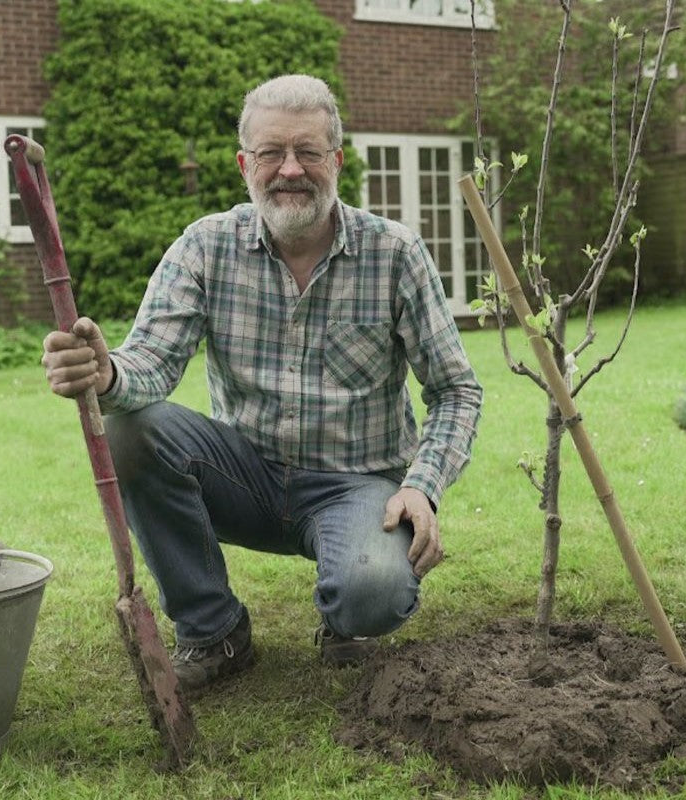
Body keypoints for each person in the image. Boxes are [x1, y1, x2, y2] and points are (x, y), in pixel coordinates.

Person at [41, 74, 482, 694]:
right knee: (132, 431)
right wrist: (105, 371)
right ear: (245, 163)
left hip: (356, 485)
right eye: (272, 153)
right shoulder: (205, 246)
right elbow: (151, 364)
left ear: (338, 160)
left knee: (373, 592)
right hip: (243, 474)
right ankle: (215, 630)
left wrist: (423, 487)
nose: (290, 169)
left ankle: (345, 618)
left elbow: (457, 390)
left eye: (308, 152)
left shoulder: (394, 253)